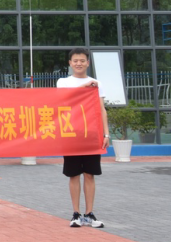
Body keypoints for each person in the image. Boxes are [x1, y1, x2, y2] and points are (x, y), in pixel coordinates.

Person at [57, 47, 110, 229]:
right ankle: (76, 213)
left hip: (91, 135)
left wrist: (106, 133)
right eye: (75, 61)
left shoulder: (96, 83)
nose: (78, 63)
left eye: (82, 60)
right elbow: (65, 98)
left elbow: (101, 110)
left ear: (88, 63)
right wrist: (84, 87)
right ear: (70, 63)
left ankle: (89, 214)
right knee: (73, 175)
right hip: (71, 135)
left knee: (90, 174)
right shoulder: (63, 82)